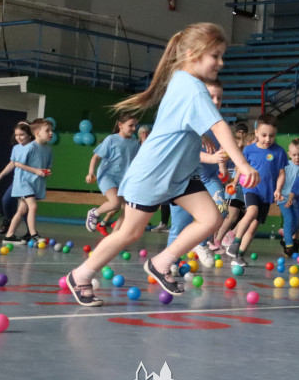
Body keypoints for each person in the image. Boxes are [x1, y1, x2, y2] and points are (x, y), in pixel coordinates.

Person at [65, 23, 259, 306]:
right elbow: (219, 127)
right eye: (215, 55)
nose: (221, 62)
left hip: (179, 173)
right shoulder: (193, 89)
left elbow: (184, 121)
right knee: (130, 232)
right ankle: (80, 276)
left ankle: (161, 262)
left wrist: (200, 134)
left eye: (221, 55)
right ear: (193, 54)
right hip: (155, 173)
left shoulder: (182, 79)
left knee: (211, 219)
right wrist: (242, 163)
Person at [165, 80, 230, 268]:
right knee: (179, 225)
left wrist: (223, 166)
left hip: (209, 179)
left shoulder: (219, 123)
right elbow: (189, 151)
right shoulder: (189, 120)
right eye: (211, 96)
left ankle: (201, 244)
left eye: (219, 97)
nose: (216, 101)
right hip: (185, 180)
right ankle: (171, 264)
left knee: (221, 209)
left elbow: (224, 147)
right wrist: (212, 159)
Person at [226, 113, 287, 268]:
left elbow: (281, 173)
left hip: (267, 194)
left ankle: (238, 255)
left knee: (253, 228)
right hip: (251, 189)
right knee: (251, 211)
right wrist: (234, 180)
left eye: (272, 136)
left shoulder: (279, 152)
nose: (267, 139)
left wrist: (278, 189)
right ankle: (235, 243)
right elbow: (241, 165)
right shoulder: (249, 149)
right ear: (257, 132)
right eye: (264, 135)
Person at [84, 112, 140, 235]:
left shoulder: (135, 143)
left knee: (129, 209)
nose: (134, 129)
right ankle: (95, 213)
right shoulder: (111, 139)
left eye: (135, 125)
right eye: (131, 125)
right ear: (121, 125)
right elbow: (95, 158)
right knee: (115, 203)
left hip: (124, 180)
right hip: (108, 176)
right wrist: (90, 173)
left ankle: (115, 234)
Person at [0, 118, 53, 244]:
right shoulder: (30, 147)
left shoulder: (48, 150)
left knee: (22, 210)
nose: (51, 133)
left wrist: (46, 172)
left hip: (35, 183)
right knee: (33, 206)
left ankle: (9, 236)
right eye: (48, 130)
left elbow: (47, 166)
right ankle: (33, 234)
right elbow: (17, 163)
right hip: (24, 183)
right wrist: (36, 171)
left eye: (51, 130)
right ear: (37, 133)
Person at [0, 122, 31, 236]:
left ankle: (31, 232)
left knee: (25, 208)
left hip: (29, 182)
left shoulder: (34, 147)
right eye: (16, 135)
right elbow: (12, 163)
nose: (18, 137)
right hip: (17, 182)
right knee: (6, 200)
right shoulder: (16, 148)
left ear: (29, 135)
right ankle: (8, 220)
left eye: (22, 134)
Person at [277, 139, 299, 257]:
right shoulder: (286, 166)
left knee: (297, 222)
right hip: (283, 197)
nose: (297, 157)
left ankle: (285, 238)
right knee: (289, 218)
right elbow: (278, 179)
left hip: (296, 200)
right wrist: (277, 191)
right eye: (294, 155)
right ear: (289, 155)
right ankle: (289, 244)